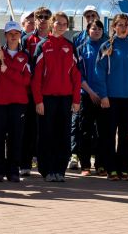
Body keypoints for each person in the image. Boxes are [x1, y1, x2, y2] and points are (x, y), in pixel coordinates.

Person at [94, 14, 128, 181]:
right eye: (120, 25)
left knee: (125, 136)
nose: (123, 28)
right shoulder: (106, 46)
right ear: (114, 27)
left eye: (126, 25)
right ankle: (111, 169)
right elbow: (99, 73)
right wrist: (103, 95)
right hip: (110, 99)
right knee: (109, 135)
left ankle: (123, 168)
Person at [32, 12, 81, 182]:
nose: (61, 26)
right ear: (52, 24)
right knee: (46, 135)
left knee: (63, 135)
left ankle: (60, 170)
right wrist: (38, 100)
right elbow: (36, 77)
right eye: (58, 23)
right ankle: (47, 170)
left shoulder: (70, 46)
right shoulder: (43, 46)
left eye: (64, 23)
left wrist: (76, 99)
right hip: (47, 99)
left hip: (65, 99)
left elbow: (76, 75)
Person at [0, 21, 32, 182]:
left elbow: (26, 81)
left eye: (16, 33)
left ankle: (13, 170)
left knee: (15, 137)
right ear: (5, 35)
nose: (13, 36)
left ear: (20, 35)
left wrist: (8, 71)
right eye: (10, 33)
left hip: (18, 103)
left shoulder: (25, 56)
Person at [20, 7, 52, 175]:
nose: (43, 19)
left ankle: (44, 162)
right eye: (39, 17)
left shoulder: (54, 39)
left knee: (46, 129)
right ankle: (25, 163)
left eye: (46, 17)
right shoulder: (26, 40)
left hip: (50, 91)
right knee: (29, 128)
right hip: (31, 91)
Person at [69, 5, 101, 170]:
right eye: (87, 15)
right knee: (78, 124)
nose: (90, 17)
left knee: (97, 126)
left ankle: (95, 155)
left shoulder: (104, 37)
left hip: (100, 91)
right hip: (81, 89)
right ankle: (75, 154)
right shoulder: (77, 38)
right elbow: (75, 66)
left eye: (92, 14)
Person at [75, 19, 106, 176]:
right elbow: (78, 74)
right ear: (88, 31)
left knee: (102, 132)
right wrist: (91, 92)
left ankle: (101, 164)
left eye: (99, 29)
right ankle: (85, 165)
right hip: (87, 95)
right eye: (94, 28)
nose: (96, 31)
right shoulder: (81, 49)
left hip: (103, 97)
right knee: (85, 132)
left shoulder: (107, 47)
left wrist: (103, 94)